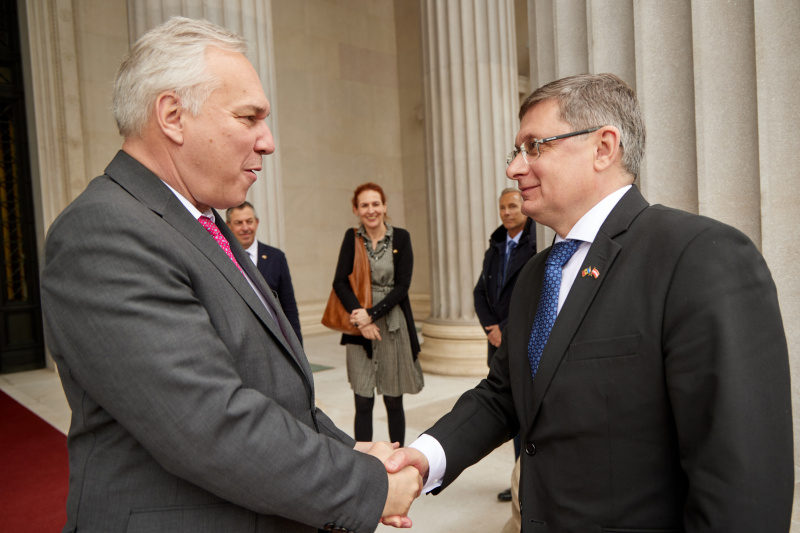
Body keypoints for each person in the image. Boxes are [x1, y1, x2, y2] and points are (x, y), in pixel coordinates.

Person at [40, 17, 421, 533]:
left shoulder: (200, 220)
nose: (267, 142)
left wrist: (346, 450)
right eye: (250, 118)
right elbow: (209, 423)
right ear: (173, 116)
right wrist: (368, 485)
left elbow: (267, 388)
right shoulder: (103, 232)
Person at [386, 73, 794, 531]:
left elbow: (744, 484)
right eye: (515, 152)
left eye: (534, 146)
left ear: (604, 148)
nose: (514, 168)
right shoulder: (535, 276)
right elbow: (505, 395)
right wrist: (423, 458)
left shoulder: (700, 257)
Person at [332, 183, 424, 448]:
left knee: (393, 399)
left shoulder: (401, 238)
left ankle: (398, 458)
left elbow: (402, 287)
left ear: (384, 206)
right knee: (363, 400)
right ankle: (365, 463)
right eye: (364, 205)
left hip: (392, 326)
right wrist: (361, 320)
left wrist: (371, 315)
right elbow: (340, 282)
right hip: (357, 325)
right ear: (356, 209)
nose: (370, 210)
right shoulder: (352, 239)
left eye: (375, 204)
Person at [472, 187, 536, 502]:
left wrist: (505, 330)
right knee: (512, 411)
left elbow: (533, 297)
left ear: (524, 206)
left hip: (522, 339)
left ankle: (533, 481)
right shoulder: (495, 246)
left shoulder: (537, 244)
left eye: (512, 206)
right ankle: (520, 480)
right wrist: (490, 328)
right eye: (502, 208)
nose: (507, 212)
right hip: (497, 342)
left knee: (530, 414)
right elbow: (479, 292)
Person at [226, 201, 302, 343]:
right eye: (238, 223)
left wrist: (297, 345)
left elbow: (288, 305)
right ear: (228, 225)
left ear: (257, 222)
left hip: (273, 338)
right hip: (239, 341)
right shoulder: (222, 258)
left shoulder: (276, 257)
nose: (245, 227)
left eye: (249, 221)